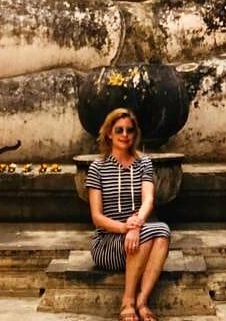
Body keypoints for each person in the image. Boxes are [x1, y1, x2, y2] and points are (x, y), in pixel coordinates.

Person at [85, 108, 171, 321]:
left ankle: (141, 301)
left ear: (135, 134)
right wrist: (126, 228)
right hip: (107, 242)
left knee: (162, 230)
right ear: (109, 134)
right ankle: (127, 301)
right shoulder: (97, 167)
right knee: (149, 234)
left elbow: (148, 199)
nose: (125, 134)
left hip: (138, 235)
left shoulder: (144, 163)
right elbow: (97, 217)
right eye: (119, 130)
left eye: (129, 130)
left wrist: (137, 224)